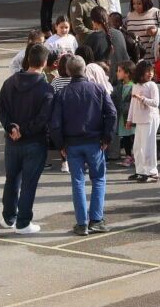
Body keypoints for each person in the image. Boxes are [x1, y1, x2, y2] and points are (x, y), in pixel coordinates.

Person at [46, 54, 117, 235]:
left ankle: (82, 223)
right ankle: (96, 219)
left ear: (68, 71)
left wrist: (60, 145)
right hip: (94, 142)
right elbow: (111, 113)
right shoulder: (98, 89)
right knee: (98, 179)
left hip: (72, 143)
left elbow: (55, 123)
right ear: (85, 69)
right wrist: (107, 138)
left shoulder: (62, 93)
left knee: (77, 182)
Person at [0, 43, 56, 234]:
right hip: (34, 142)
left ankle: (9, 217)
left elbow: (0, 107)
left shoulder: (9, 83)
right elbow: (43, 118)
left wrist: (11, 127)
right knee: (29, 183)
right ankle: (23, 222)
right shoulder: (46, 89)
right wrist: (24, 130)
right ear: (44, 63)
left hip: (12, 140)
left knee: (11, 179)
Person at [126, 59, 160, 182]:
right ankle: (140, 171)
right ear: (140, 72)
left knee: (148, 147)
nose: (150, 73)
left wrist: (142, 99)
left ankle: (152, 173)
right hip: (140, 119)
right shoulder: (136, 85)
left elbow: (156, 103)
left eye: (151, 71)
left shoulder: (152, 85)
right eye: (147, 71)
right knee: (138, 147)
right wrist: (129, 119)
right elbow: (132, 104)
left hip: (150, 118)